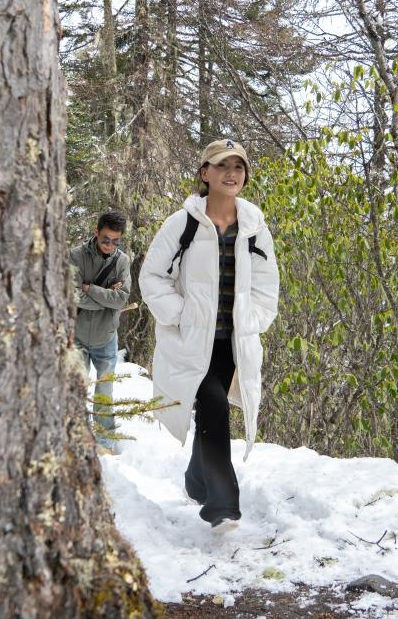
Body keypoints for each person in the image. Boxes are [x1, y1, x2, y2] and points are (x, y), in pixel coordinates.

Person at [139, 139, 280, 530]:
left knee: (212, 410)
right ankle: (222, 504)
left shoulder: (254, 226)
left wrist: (254, 320)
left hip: (233, 344)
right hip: (190, 342)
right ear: (205, 174)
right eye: (222, 166)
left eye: (238, 166)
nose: (231, 173)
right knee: (215, 407)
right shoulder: (182, 223)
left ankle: (197, 479)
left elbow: (268, 284)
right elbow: (151, 277)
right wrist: (180, 315)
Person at [70, 210, 132, 452]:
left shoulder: (122, 261)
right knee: (76, 388)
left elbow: (121, 299)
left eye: (116, 241)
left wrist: (90, 289)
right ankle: (75, 436)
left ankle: (105, 440)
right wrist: (106, 294)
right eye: (105, 239)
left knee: (105, 389)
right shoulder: (75, 256)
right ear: (96, 232)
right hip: (77, 334)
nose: (110, 245)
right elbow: (71, 294)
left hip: (106, 336)